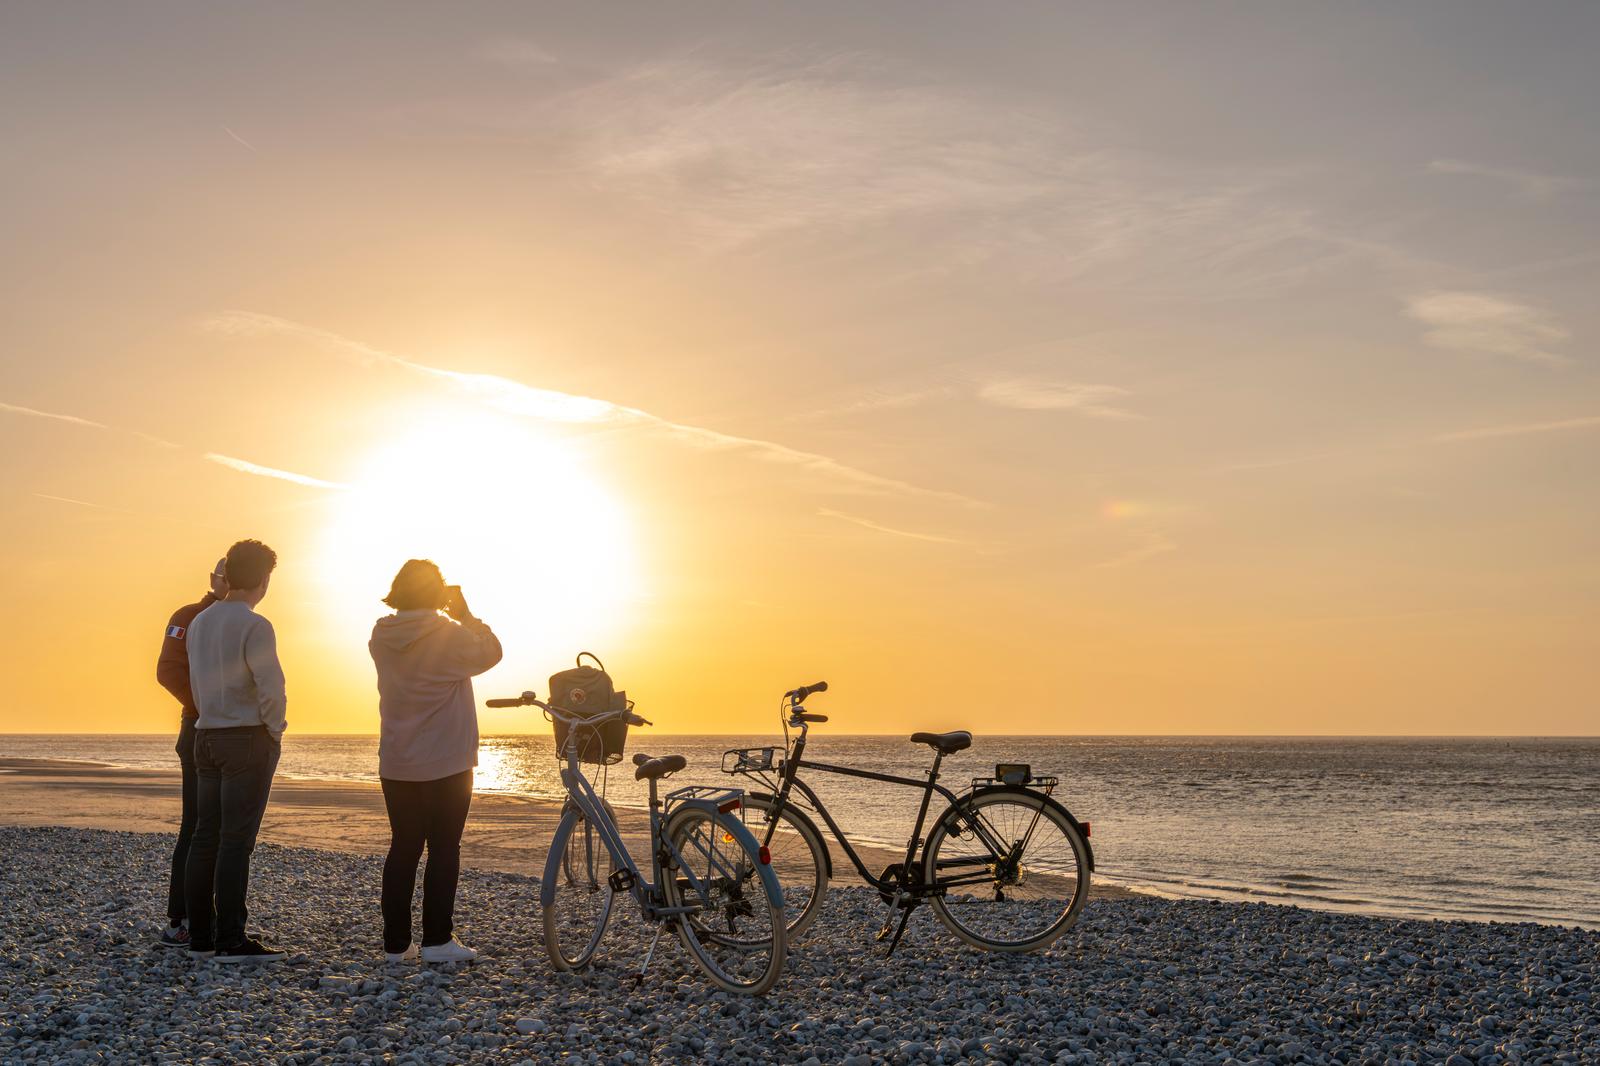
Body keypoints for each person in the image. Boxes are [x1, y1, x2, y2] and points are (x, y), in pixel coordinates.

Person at [369, 559, 502, 964]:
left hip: (398, 760)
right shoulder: (448, 633)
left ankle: (396, 945)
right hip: (447, 761)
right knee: (444, 847)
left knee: (404, 848)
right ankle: (437, 940)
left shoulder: (380, 634)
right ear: (438, 593)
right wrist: (465, 615)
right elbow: (492, 652)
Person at [183, 539, 288, 964]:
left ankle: (201, 938)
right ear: (263, 579)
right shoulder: (254, 624)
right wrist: (275, 730)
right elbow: (271, 686)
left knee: (204, 836)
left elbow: (195, 682)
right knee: (235, 841)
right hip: (245, 735)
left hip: (205, 734)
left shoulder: (201, 621)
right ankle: (230, 938)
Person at [153, 557, 228, 949]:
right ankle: (179, 920)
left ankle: (210, 918)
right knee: (197, 825)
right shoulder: (190, 615)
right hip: (198, 729)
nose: (229, 583)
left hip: (233, 735)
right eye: (223, 576)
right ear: (213, 579)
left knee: (221, 829)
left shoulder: (243, 620)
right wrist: (205, 707)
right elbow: (167, 670)